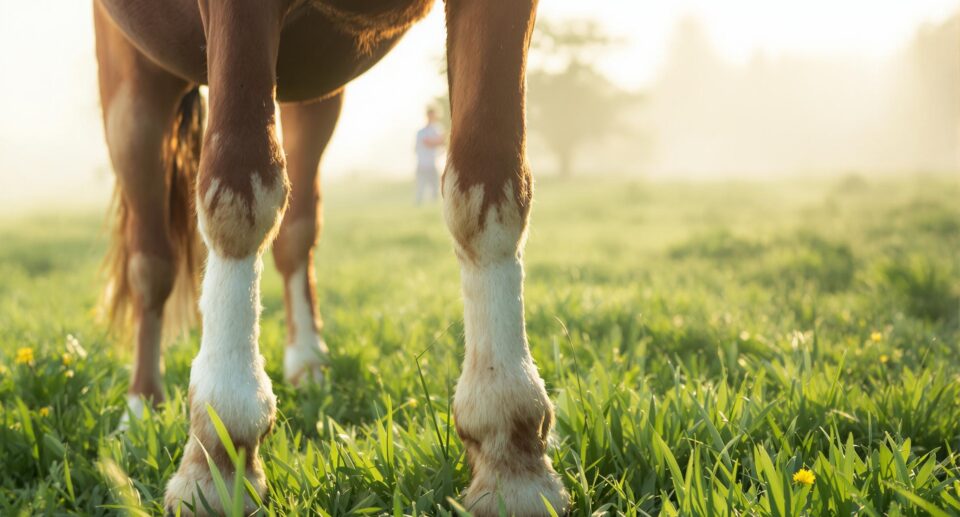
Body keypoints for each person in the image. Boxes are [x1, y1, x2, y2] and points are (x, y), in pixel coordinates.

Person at [414, 106, 445, 204]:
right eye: (430, 115)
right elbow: (428, 142)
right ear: (427, 116)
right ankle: (418, 206)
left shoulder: (437, 129)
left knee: (435, 188)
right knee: (420, 188)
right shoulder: (421, 132)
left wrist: (439, 141)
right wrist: (438, 141)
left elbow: (442, 142)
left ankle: (433, 206)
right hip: (422, 164)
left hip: (432, 164)